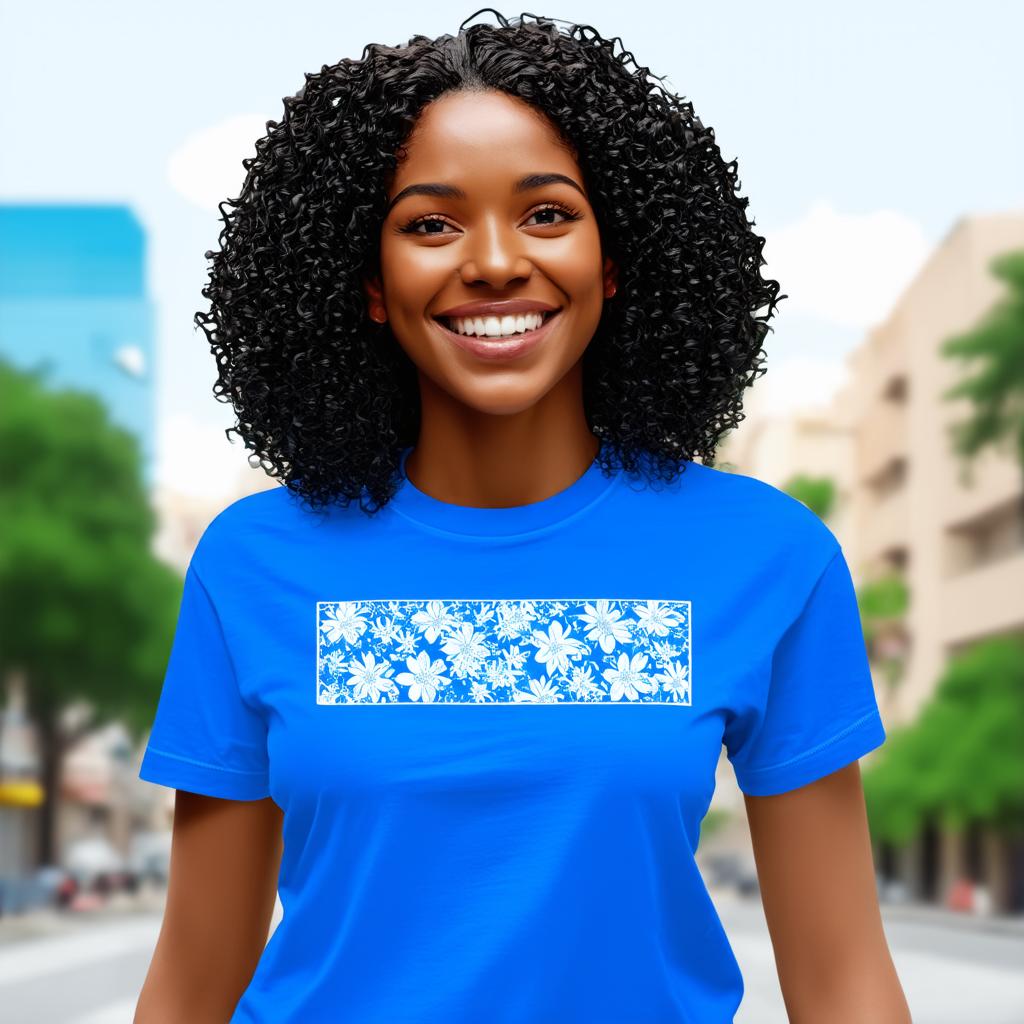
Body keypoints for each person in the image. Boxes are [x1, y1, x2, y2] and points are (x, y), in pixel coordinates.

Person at [134, 10, 912, 1023]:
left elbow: (843, 978)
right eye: (430, 224)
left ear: (617, 258)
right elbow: (194, 982)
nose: (495, 261)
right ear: (367, 285)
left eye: (547, 214)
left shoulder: (765, 558)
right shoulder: (253, 563)